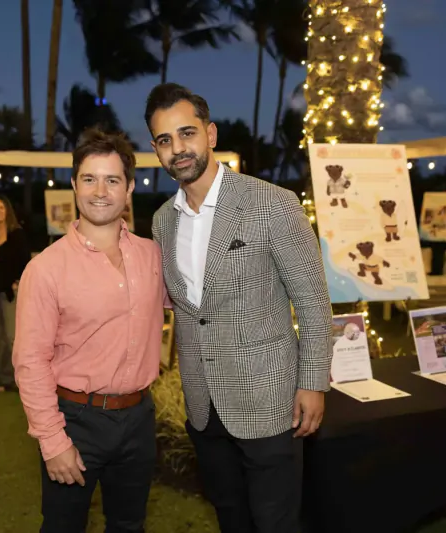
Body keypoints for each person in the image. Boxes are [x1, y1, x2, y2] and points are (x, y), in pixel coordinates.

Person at [145, 83, 333, 533]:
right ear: (156, 150)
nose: (178, 149)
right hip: (204, 406)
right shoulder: (161, 221)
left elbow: (312, 301)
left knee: (275, 523)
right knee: (230, 518)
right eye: (165, 140)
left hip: (271, 401)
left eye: (186, 133)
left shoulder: (272, 204)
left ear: (210, 134)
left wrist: (312, 383)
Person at [13, 129, 166, 532]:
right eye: (90, 178)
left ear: (130, 188)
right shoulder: (46, 269)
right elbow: (30, 362)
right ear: (74, 184)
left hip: (138, 419)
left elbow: (199, 307)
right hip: (75, 421)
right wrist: (52, 441)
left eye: (113, 180)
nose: (101, 191)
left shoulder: (153, 257)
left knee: (129, 524)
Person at [0, 195, 31, 392]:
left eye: (1, 207)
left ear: (7, 211)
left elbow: (25, 262)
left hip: (11, 294)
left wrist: (18, 281)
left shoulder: (16, 234)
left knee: (13, 337)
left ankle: (22, 378)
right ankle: (5, 377)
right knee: (0, 337)